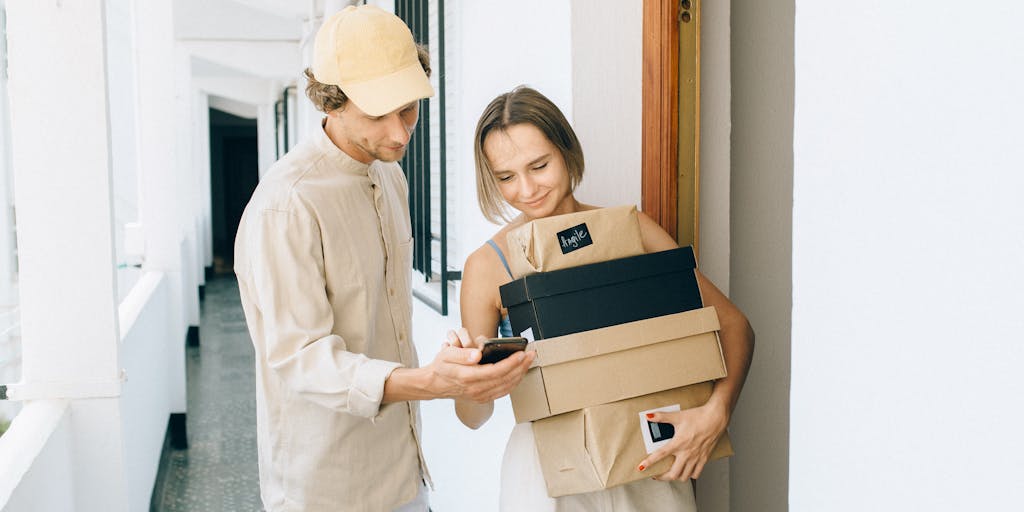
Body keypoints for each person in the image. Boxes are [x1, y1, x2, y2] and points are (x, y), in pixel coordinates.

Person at [234, 7, 533, 512]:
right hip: (326, 488)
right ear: (331, 102)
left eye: (409, 109)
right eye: (377, 115)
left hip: (403, 470)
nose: (400, 133)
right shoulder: (287, 206)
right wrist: (432, 383)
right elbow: (300, 360)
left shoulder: (390, 175)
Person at [457, 86, 755, 511]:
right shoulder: (487, 266)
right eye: (506, 177)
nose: (526, 189)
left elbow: (734, 324)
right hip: (547, 478)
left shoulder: (632, 230)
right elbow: (472, 417)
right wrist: (471, 379)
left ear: (566, 151)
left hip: (647, 459)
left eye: (539, 165)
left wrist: (716, 414)